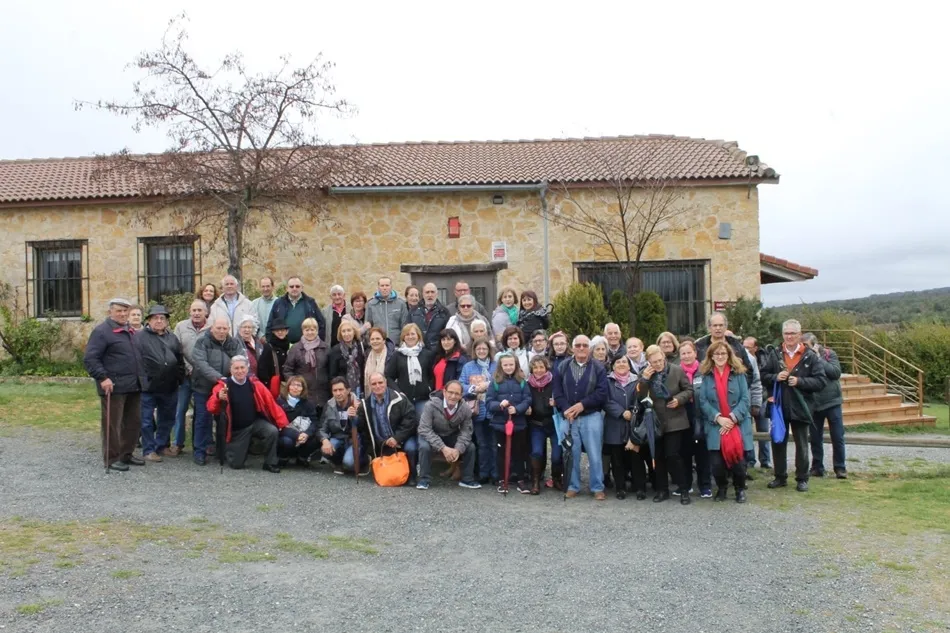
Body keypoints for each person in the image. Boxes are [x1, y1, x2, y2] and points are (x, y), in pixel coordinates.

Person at [762, 319, 828, 492]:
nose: (789, 336)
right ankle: (780, 477)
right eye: (786, 333)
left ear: (800, 335)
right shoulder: (775, 354)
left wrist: (800, 381)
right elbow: (763, 375)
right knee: (778, 441)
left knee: (801, 443)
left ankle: (802, 478)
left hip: (802, 405)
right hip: (779, 406)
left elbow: (821, 381)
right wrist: (776, 377)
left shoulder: (810, 356)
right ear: (782, 335)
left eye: (793, 333)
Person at [84, 298, 146, 471]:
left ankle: (126, 454)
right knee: (113, 424)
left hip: (134, 385)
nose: (123, 314)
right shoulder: (102, 332)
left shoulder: (129, 330)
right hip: (113, 386)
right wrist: (102, 378)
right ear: (110, 312)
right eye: (119, 310)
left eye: (125, 311)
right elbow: (90, 358)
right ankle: (111, 459)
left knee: (133, 422)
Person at [207, 355, 287, 472]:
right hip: (236, 431)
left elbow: (271, 404)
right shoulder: (222, 387)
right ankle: (235, 449)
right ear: (231, 370)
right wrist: (218, 397)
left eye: (242, 368)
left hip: (254, 423)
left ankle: (270, 463)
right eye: (236, 368)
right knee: (236, 464)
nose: (240, 371)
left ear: (247, 368)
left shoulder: (255, 385)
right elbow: (211, 408)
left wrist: (283, 425)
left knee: (272, 431)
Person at [553, 335, 609, 500]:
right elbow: (557, 392)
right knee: (570, 453)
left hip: (591, 416)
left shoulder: (599, 368)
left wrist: (582, 405)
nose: (582, 348)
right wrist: (565, 409)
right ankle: (572, 485)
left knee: (594, 453)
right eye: (578, 345)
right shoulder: (563, 366)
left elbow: (602, 393)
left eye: (585, 345)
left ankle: (597, 487)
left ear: (589, 348)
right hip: (568, 417)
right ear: (573, 347)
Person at [637, 344, 693, 504]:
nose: (658, 364)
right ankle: (662, 490)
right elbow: (640, 398)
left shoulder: (676, 370)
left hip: (675, 419)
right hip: (655, 420)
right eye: (654, 362)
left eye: (660, 360)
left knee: (673, 455)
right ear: (648, 361)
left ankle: (683, 489)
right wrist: (644, 380)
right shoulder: (645, 374)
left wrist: (679, 400)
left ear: (664, 357)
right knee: (658, 456)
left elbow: (689, 390)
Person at [698, 341, 753, 503]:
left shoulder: (739, 374)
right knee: (716, 464)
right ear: (711, 357)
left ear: (729, 355)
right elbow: (703, 401)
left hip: (737, 424)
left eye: (723, 353)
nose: (720, 357)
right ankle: (721, 488)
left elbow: (745, 399)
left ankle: (740, 489)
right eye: (717, 354)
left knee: (739, 462)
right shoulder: (706, 376)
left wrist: (732, 418)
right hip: (716, 425)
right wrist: (718, 418)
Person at [191, 317, 245, 465]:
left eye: (224, 329)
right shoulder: (202, 342)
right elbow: (201, 363)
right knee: (203, 419)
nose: (221, 331)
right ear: (212, 328)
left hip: (226, 387)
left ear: (229, 329)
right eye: (218, 328)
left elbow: (241, 360)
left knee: (224, 420)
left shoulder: (234, 343)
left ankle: (222, 450)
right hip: (204, 386)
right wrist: (220, 378)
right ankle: (199, 451)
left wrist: (231, 378)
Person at [135, 305, 185, 462]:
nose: (159, 321)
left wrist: (180, 378)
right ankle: (148, 449)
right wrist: (141, 380)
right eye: (155, 318)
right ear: (149, 320)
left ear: (167, 321)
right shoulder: (139, 337)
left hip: (170, 386)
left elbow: (179, 359)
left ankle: (161, 445)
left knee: (168, 418)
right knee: (147, 420)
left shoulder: (172, 338)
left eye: (162, 318)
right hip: (148, 386)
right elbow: (135, 361)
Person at [355, 372, 420, 485]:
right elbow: (361, 428)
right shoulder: (365, 405)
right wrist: (353, 417)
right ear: (370, 386)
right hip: (382, 443)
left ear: (386, 383)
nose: (378, 386)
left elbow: (411, 420)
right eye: (374, 384)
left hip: (402, 438)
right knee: (388, 473)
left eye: (380, 382)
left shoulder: (400, 399)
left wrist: (397, 438)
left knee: (411, 448)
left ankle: (412, 475)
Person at [416, 380, 480, 490]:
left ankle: (467, 479)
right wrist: (443, 448)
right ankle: (424, 479)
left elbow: (466, 432)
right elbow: (424, 429)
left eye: (457, 394)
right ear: (444, 392)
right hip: (431, 434)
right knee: (424, 447)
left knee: (470, 447)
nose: (453, 396)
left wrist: (457, 450)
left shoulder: (465, 409)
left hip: (450, 434)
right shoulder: (430, 405)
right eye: (450, 392)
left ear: (461, 396)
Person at [803, 333, 847, 479]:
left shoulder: (829, 354)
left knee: (838, 436)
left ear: (815, 345)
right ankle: (817, 467)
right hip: (814, 404)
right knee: (815, 438)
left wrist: (818, 358)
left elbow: (835, 373)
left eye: (807, 346)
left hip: (832, 402)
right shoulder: (803, 358)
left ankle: (840, 468)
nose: (805, 349)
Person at [487, 352, 531, 494]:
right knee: (501, 452)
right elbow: (489, 402)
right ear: (500, 366)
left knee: (519, 452)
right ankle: (502, 479)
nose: (508, 367)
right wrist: (500, 404)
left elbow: (527, 399)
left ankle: (520, 479)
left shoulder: (523, 382)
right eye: (505, 365)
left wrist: (517, 409)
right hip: (500, 424)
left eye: (511, 364)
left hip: (518, 424)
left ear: (516, 365)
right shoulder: (495, 382)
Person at [171, 300, 209, 457]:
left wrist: (201, 369)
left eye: (200, 310)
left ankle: (202, 444)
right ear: (189, 311)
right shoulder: (181, 326)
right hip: (185, 376)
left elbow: (213, 351)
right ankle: (178, 443)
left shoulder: (212, 327)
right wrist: (188, 367)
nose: (196, 313)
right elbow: (175, 349)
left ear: (206, 312)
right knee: (180, 409)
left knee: (203, 412)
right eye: (194, 310)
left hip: (204, 377)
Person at [460, 337, 497, 485]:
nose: (481, 351)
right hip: (477, 410)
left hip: (494, 411)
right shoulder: (468, 366)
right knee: (482, 443)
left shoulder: (496, 365)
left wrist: (489, 385)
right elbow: (461, 384)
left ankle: (495, 473)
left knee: (494, 444)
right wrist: (474, 388)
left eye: (484, 349)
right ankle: (483, 473)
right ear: (474, 351)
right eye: (478, 349)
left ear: (489, 350)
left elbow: (502, 381)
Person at [679, 340, 712, 498]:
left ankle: (705, 485)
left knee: (702, 452)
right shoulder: (676, 372)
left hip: (701, 413)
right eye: (683, 353)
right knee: (684, 451)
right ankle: (686, 484)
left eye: (689, 352)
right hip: (683, 414)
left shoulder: (705, 370)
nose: (686, 356)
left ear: (695, 353)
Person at [604, 355, 637, 500]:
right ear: (613, 366)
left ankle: (636, 484)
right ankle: (620, 487)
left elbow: (640, 398)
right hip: (614, 423)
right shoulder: (607, 381)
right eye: (618, 362)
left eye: (624, 362)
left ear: (630, 366)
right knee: (616, 459)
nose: (622, 364)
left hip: (633, 423)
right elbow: (605, 400)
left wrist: (632, 411)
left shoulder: (637, 381)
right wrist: (621, 412)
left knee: (633, 457)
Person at [386, 323, 434, 418]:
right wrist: (398, 392)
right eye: (407, 334)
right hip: (404, 400)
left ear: (418, 336)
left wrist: (429, 388)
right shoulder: (397, 355)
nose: (410, 337)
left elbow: (432, 375)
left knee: (422, 426)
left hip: (423, 399)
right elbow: (388, 377)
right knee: (408, 426)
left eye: (413, 334)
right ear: (403, 337)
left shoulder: (427, 354)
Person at [527, 355, 560, 493]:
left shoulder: (555, 382)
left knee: (557, 454)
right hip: (536, 424)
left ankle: (557, 478)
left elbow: (564, 397)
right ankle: (535, 481)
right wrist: (526, 407)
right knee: (536, 452)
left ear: (546, 368)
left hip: (553, 423)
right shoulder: (527, 384)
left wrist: (557, 403)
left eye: (541, 367)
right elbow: (523, 398)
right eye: (535, 367)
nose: (539, 370)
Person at [283, 317, 331, 406]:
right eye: (307, 330)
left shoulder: (325, 348)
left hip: (323, 394)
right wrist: (295, 385)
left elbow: (330, 369)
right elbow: (287, 369)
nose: (310, 332)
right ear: (302, 331)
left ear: (317, 331)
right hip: (303, 394)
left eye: (312, 330)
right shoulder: (296, 348)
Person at [276, 375, 322, 467]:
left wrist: (307, 434)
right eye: (293, 385)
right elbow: (278, 424)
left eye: (299, 385)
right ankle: (283, 458)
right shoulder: (280, 402)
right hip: (286, 435)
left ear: (303, 389)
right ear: (288, 386)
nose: (295, 388)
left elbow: (314, 421)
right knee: (286, 442)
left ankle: (302, 458)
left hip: (303, 436)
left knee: (318, 438)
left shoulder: (308, 403)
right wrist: (296, 435)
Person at [319, 377, 362, 474]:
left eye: (341, 389)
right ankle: (338, 462)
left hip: (354, 440)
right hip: (337, 438)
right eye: (335, 390)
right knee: (324, 450)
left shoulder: (358, 404)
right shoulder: (329, 405)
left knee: (349, 463)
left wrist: (355, 416)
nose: (338, 393)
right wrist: (325, 440)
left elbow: (364, 428)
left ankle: (362, 461)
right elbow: (322, 428)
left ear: (348, 390)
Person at [743, 336, 773, 470]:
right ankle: (750, 459)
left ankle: (765, 460)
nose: (745, 349)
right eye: (744, 346)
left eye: (748, 347)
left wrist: (761, 399)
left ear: (755, 348)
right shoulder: (744, 359)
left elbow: (762, 380)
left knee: (763, 429)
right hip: (748, 400)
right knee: (747, 431)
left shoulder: (764, 360)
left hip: (763, 398)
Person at [268, 276, 325, 344]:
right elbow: (270, 323)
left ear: (302, 288)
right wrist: (270, 341)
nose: (294, 289)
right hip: (283, 346)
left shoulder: (310, 302)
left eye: (297, 286)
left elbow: (321, 324)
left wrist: (318, 343)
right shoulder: (278, 303)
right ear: (287, 288)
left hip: (306, 346)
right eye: (291, 286)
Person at [237, 316, 279, 396]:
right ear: (239, 329)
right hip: (245, 381)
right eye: (244, 327)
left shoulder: (259, 343)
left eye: (249, 327)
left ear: (253, 329)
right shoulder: (235, 343)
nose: (247, 330)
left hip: (261, 380)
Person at [366, 276, 409, 343]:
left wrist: (403, 342)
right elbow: (368, 326)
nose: (384, 288)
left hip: (396, 343)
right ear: (378, 287)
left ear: (391, 287)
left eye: (387, 285)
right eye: (382, 286)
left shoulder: (400, 303)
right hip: (378, 344)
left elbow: (405, 326)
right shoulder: (371, 304)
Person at [328, 320, 366, 396]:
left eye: (349, 330)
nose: (346, 334)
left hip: (359, 390)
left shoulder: (361, 348)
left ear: (354, 332)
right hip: (343, 392)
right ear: (340, 334)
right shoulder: (335, 351)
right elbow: (332, 375)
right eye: (343, 331)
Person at [410, 282, 451, 352]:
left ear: (436, 294)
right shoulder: (413, 311)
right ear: (423, 294)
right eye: (427, 292)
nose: (430, 295)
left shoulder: (444, 312)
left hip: (437, 352)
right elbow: (407, 330)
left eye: (432, 292)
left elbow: (448, 333)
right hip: (417, 351)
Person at [363, 327, 390, 394]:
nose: (375, 341)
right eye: (372, 339)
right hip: (370, 395)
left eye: (378, 339)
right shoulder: (366, 355)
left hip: (388, 394)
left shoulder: (392, 355)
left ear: (384, 340)